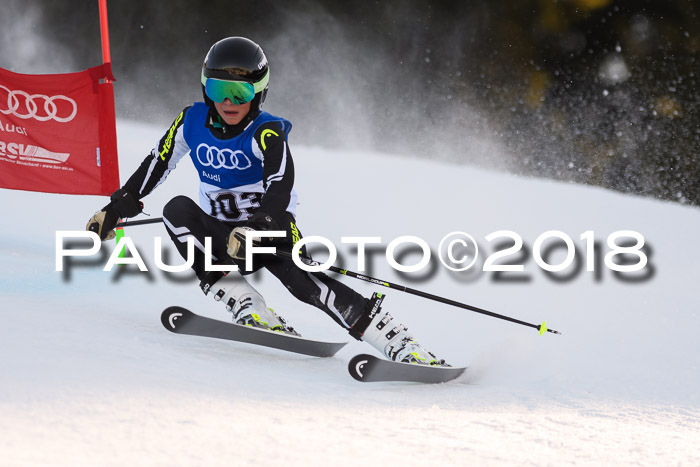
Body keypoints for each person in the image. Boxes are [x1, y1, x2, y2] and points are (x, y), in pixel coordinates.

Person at [86, 36, 447, 366]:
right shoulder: (190, 121)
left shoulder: (267, 131)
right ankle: (245, 302)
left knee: (306, 285)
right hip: (219, 232)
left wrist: (258, 227)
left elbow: (280, 184)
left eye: (239, 93)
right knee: (176, 212)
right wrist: (115, 209)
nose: (227, 102)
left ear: (259, 93)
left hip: (267, 230)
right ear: (205, 87)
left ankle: (397, 341)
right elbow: (157, 163)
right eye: (218, 89)